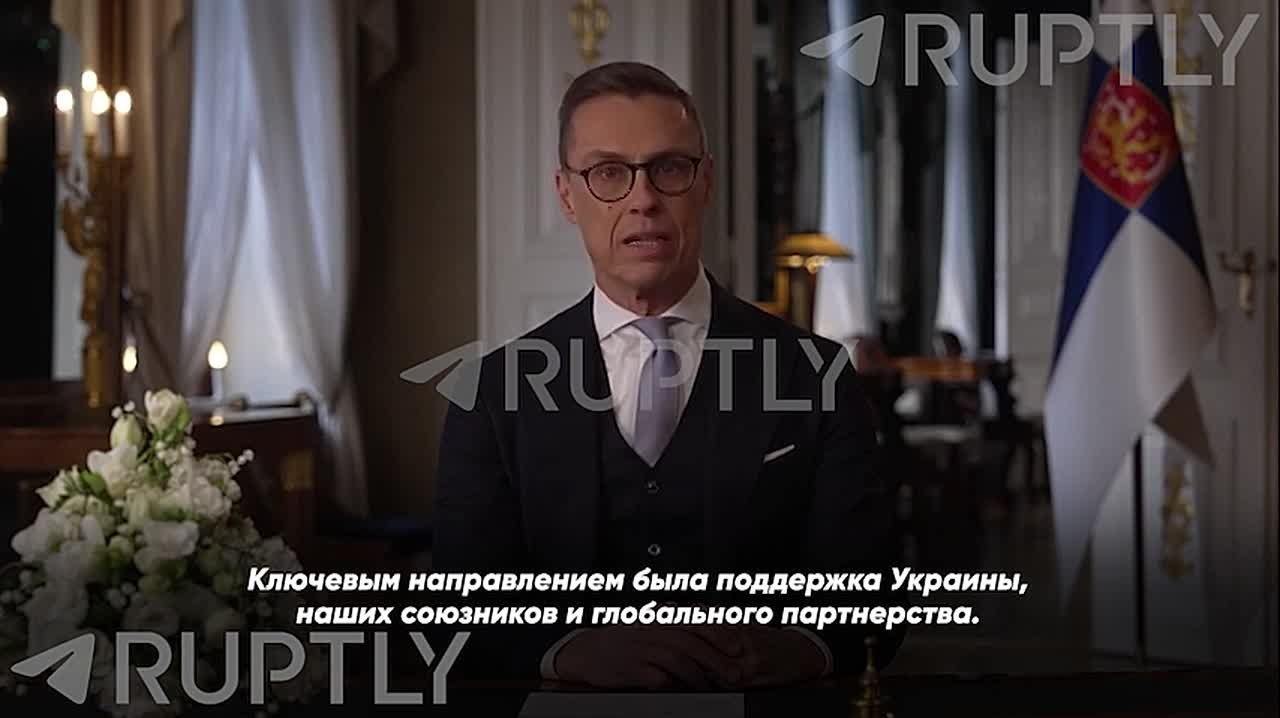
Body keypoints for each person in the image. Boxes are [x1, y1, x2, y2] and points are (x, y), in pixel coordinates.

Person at [433, 61, 903, 689]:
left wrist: (794, 647)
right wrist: (562, 652)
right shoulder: (493, 393)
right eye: (608, 172)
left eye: (670, 168)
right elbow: (459, 610)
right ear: (567, 195)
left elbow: (872, 600)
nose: (643, 199)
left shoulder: (817, 376)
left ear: (705, 182)